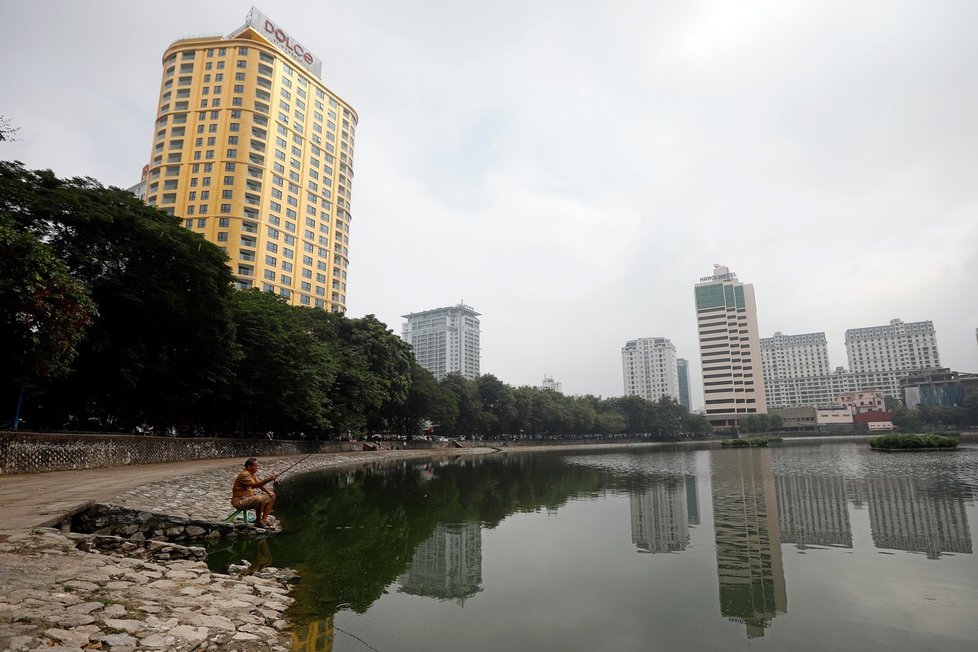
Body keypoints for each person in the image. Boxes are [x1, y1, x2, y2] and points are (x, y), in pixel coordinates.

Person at [231, 457, 278, 528]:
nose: (257, 468)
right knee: (259, 499)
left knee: (272, 496)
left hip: (248, 498)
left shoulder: (252, 475)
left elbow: (259, 484)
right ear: (249, 467)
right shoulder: (244, 475)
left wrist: (268, 492)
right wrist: (269, 479)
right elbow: (254, 485)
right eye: (256, 466)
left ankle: (264, 520)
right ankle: (258, 521)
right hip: (240, 501)